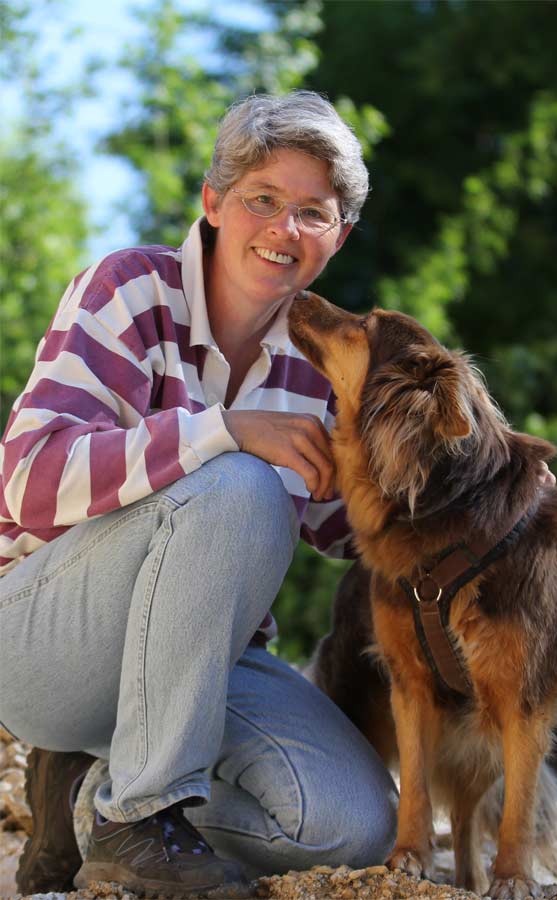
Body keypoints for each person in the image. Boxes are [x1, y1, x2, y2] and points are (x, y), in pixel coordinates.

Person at [0, 91, 399, 898]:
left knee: (351, 826)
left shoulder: (322, 371)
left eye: (312, 213)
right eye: (263, 200)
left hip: (205, 660)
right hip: (42, 638)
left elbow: (354, 530)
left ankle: (89, 800)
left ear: (339, 237)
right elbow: (29, 479)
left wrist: (497, 515)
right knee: (240, 484)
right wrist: (223, 429)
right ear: (214, 202)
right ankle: (138, 819)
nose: (285, 230)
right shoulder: (128, 291)